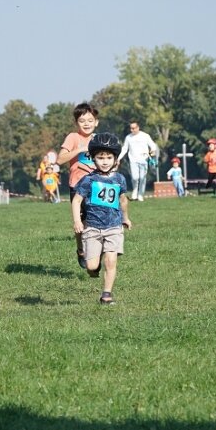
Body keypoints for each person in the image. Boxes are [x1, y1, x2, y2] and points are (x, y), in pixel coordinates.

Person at [71, 133, 132, 305]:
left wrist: (125, 218)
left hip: (114, 227)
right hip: (92, 228)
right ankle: (93, 263)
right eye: (100, 157)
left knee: (111, 260)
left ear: (115, 159)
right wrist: (77, 221)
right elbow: (76, 201)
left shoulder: (120, 179)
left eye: (108, 157)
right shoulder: (88, 180)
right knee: (91, 267)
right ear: (93, 159)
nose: (104, 161)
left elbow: (122, 200)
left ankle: (106, 295)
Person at [57, 102, 99, 268]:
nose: (87, 123)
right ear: (77, 123)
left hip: (96, 185)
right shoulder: (73, 138)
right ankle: (81, 249)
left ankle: (94, 253)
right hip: (77, 185)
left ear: (96, 122)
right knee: (80, 222)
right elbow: (60, 159)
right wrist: (80, 149)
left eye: (90, 120)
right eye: (82, 121)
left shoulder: (98, 139)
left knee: (94, 220)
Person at [118, 121, 158, 201]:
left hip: (144, 160)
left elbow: (153, 145)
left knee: (142, 178)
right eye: (131, 128)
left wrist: (153, 151)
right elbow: (125, 149)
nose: (132, 130)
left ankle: (140, 195)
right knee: (135, 177)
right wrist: (118, 158)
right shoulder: (128, 137)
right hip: (133, 160)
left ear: (138, 128)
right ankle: (135, 191)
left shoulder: (145, 136)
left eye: (134, 128)